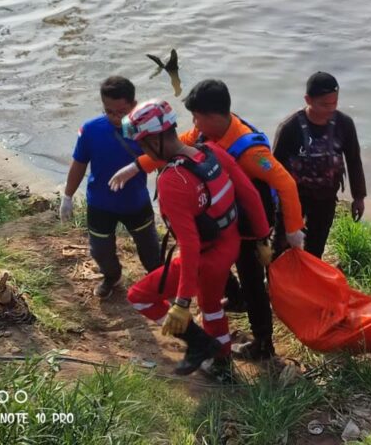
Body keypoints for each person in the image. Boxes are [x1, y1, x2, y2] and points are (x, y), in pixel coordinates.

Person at [110, 79, 304, 361]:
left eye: (197, 117)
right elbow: (178, 146)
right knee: (217, 291)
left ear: (213, 116)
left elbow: (284, 184)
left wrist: (288, 231)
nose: (195, 124)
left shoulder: (249, 152)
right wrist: (136, 166)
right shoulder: (212, 145)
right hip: (226, 231)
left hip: (241, 232)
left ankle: (260, 342)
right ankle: (231, 315)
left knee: (253, 287)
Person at [121, 100, 270, 380]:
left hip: (205, 258)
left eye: (142, 144)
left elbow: (188, 245)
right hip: (230, 244)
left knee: (139, 296)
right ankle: (221, 360)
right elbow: (249, 192)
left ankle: (203, 346)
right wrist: (263, 237)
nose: (142, 150)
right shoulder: (209, 150)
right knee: (212, 305)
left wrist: (182, 302)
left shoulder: (171, 180)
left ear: (153, 140)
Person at [60, 76, 161, 298]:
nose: (115, 117)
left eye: (121, 112)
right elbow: (79, 164)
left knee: (151, 250)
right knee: (100, 250)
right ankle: (112, 277)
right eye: (109, 112)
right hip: (100, 203)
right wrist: (67, 196)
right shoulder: (90, 130)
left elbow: (162, 159)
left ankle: (160, 281)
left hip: (136, 202)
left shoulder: (146, 131)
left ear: (134, 105)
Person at [272, 71, 366, 258]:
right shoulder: (290, 128)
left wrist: (359, 196)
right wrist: (271, 204)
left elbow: (354, 160)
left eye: (334, 103)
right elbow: (274, 168)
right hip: (294, 197)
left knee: (317, 244)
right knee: (281, 244)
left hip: (326, 196)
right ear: (308, 100)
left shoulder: (344, 124)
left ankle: (309, 282)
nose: (330, 109)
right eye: (324, 104)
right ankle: (276, 281)